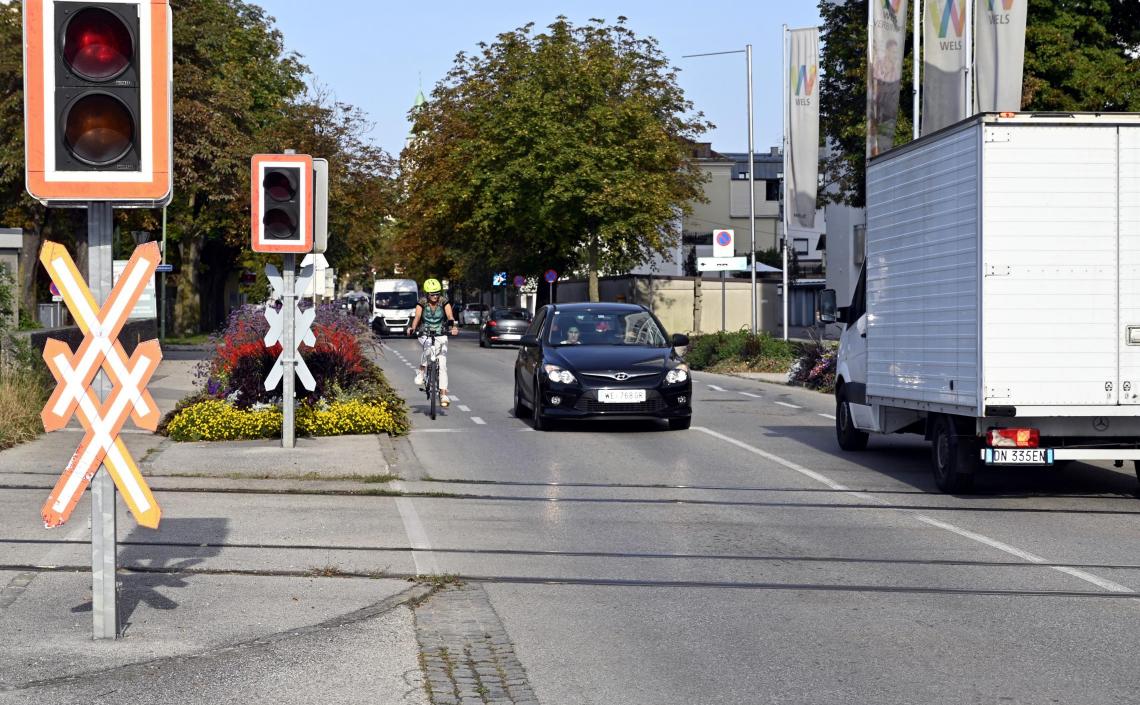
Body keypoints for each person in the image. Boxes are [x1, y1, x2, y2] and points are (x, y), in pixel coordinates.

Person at [408, 279, 459, 406]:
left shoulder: (444, 302)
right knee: (428, 349)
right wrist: (412, 328)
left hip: (441, 333)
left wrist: (453, 327)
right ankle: (421, 371)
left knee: (442, 363)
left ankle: (443, 395)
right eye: (432, 294)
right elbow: (417, 317)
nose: (435, 296)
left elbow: (450, 316)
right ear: (427, 294)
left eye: (437, 293)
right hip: (425, 332)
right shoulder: (422, 303)